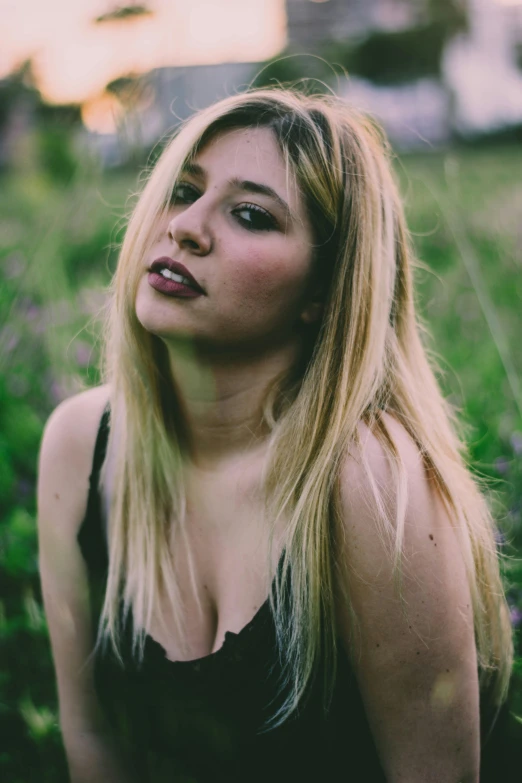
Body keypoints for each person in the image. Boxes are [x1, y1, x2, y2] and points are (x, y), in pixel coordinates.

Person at [37, 87, 513, 783]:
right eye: (182, 190)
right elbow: (91, 738)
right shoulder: (80, 444)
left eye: (251, 215)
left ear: (323, 294)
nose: (187, 228)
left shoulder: (368, 485)